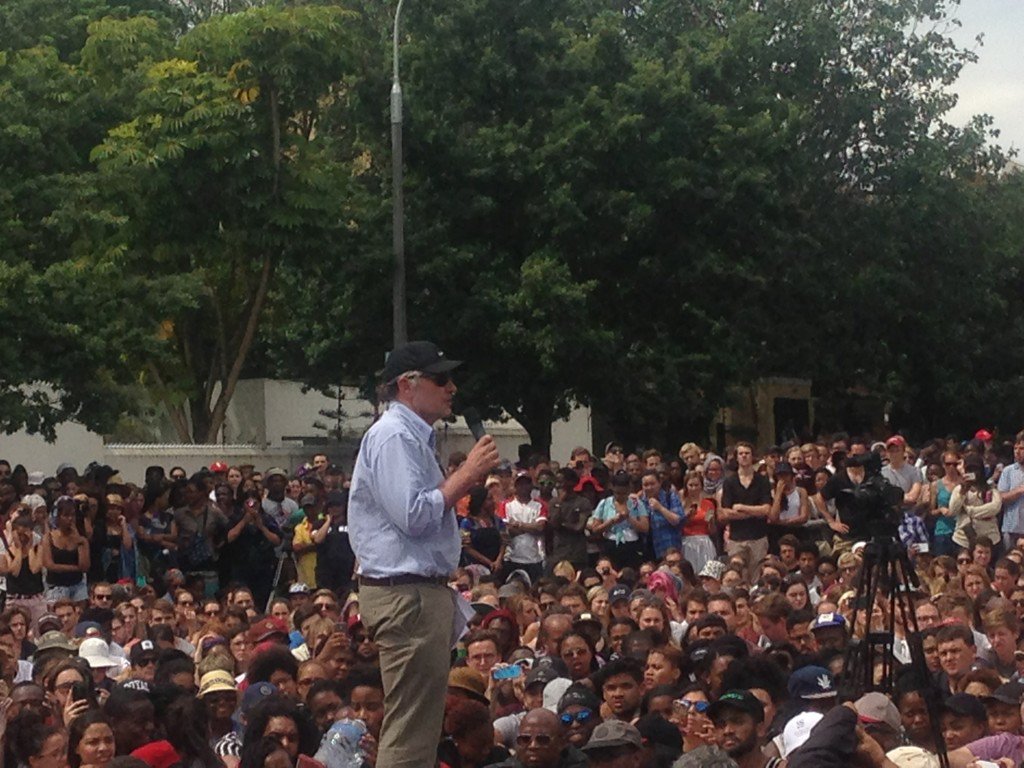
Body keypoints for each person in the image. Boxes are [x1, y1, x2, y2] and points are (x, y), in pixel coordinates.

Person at [348, 340, 498, 768]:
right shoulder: (394, 435)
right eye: (440, 378)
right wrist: (467, 474)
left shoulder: (409, 435)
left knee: (419, 725)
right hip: (405, 594)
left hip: (413, 592)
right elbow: (413, 516)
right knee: (412, 730)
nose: (451, 387)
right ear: (407, 386)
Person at [719, 443, 772, 581]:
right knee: (736, 576)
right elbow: (726, 512)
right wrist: (754, 511)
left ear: (752, 456)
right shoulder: (729, 482)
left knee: (757, 576)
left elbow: (766, 509)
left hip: (758, 537)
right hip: (736, 538)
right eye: (741, 453)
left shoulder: (762, 481)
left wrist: (742, 507)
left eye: (747, 453)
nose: (744, 456)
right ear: (736, 457)